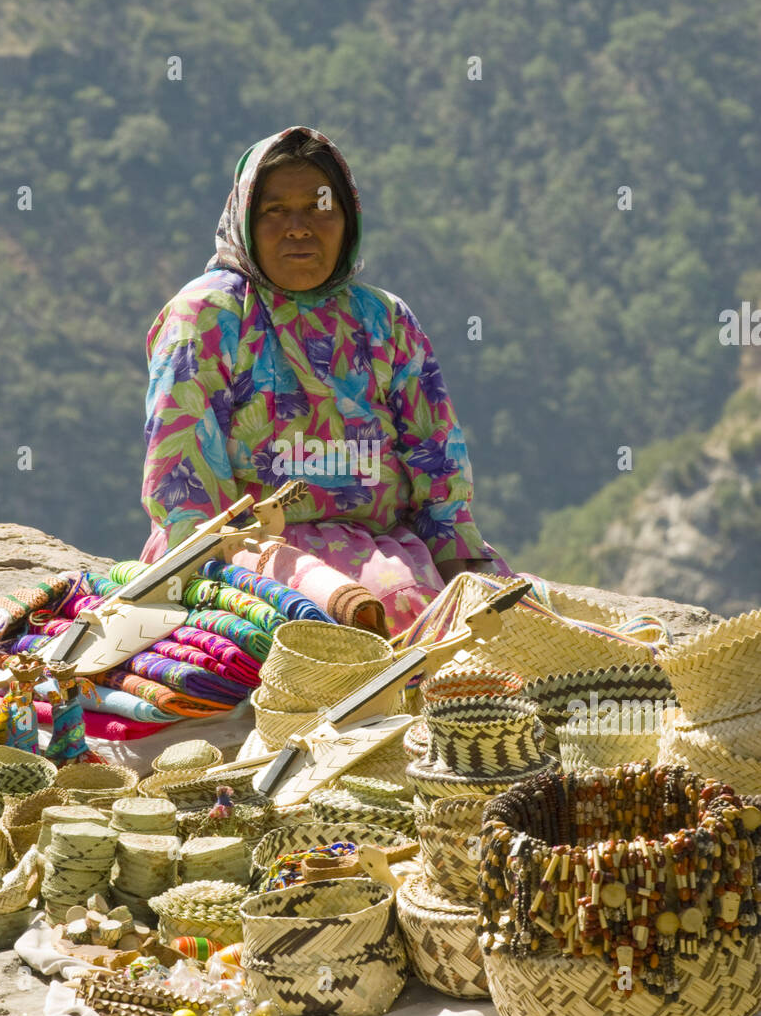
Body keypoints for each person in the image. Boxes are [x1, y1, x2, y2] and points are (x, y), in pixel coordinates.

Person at [139, 125, 508, 634]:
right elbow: (183, 484)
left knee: (504, 626)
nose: (298, 227)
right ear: (244, 218)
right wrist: (219, 575)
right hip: (240, 554)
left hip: (388, 546)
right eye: (275, 210)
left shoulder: (384, 318)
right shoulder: (208, 316)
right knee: (386, 614)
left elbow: (434, 457)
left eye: (319, 206)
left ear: (348, 218)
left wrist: (461, 567)